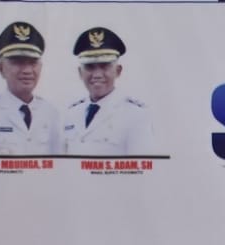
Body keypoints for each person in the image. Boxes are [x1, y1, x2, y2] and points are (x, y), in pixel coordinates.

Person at [0, 22, 61, 155]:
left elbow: (59, 164)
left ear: (40, 67)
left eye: (33, 63)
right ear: (1, 68)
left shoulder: (50, 113)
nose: (27, 70)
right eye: (18, 62)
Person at [63, 27, 156, 155]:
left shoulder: (136, 116)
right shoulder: (71, 114)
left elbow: (142, 165)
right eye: (89, 67)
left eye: (104, 66)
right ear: (80, 72)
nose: (97, 75)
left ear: (118, 71)